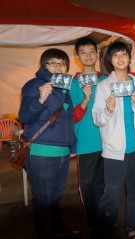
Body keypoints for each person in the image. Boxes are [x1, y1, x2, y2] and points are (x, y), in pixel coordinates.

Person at [18, 48, 79, 239]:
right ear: (43, 65)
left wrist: (72, 146)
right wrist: (40, 99)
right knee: (44, 199)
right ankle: (46, 233)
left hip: (62, 151)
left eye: (62, 64)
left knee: (55, 197)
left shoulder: (64, 87)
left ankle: (58, 229)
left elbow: (67, 119)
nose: (58, 66)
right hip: (41, 150)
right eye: (53, 62)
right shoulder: (34, 85)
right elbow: (24, 116)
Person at [92, 41, 135, 239]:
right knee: (112, 192)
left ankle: (131, 225)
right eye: (116, 55)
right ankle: (105, 228)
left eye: (124, 54)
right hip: (114, 149)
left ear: (130, 58)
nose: (121, 58)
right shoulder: (104, 86)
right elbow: (97, 119)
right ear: (110, 60)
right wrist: (108, 109)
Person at [69, 37, 107, 228]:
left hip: (107, 141)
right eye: (83, 52)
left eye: (92, 51)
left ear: (97, 53)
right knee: (86, 184)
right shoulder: (72, 84)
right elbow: (72, 117)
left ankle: (101, 218)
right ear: (77, 57)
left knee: (103, 183)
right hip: (85, 142)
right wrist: (84, 100)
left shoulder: (106, 80)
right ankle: (92, 221)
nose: (88, 55)